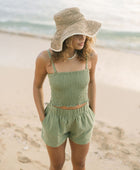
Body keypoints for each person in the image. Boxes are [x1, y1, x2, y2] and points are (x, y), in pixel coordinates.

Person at [33, 7, 101, 170]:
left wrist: (92, 111)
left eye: (84, 32)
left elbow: (92, 82)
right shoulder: (45, 58)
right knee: (57, 165)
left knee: (80, 164)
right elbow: (37, 86)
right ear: (66, 36)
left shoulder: (90, 56)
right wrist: (43, 117)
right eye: (77, 33)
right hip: (55, 119)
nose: (83, 37)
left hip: (82, 118)